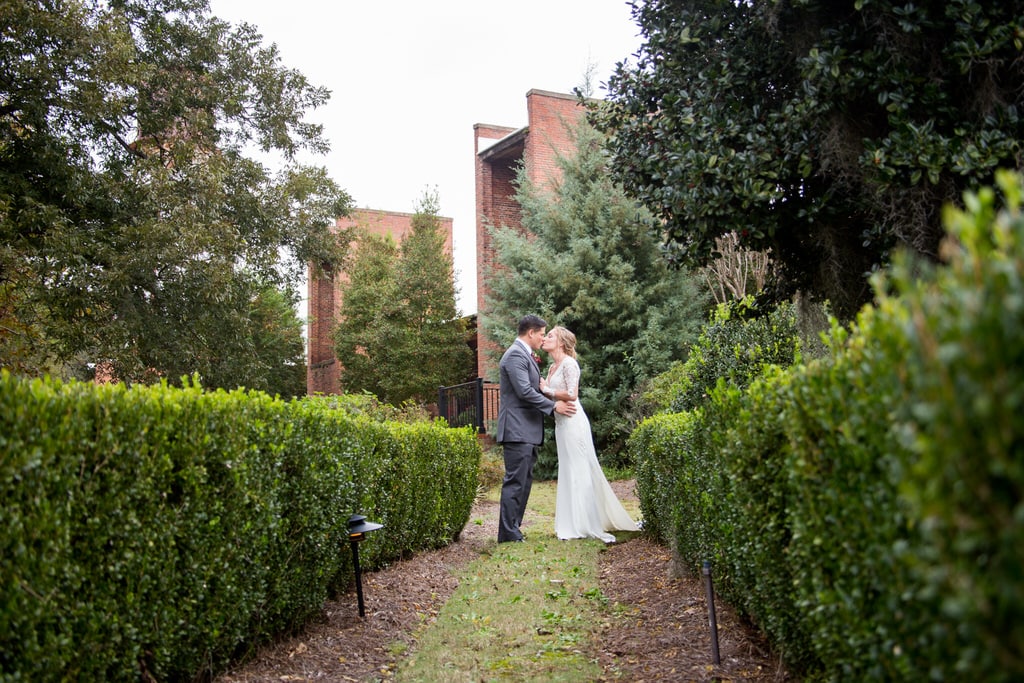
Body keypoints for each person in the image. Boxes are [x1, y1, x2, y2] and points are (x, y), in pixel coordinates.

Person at [540, 326, 640, 543]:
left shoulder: (569, 363)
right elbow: (552, 399)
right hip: (561, 424)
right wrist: (548, 393)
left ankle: (585, 523)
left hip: (574, 422)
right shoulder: (551, 368)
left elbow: (572, 394)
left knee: (579, 468)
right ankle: (569, 522)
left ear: (562, 342)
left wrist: (547, 390)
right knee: (567, 469)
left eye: (550, 336)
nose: (545, 338)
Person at [496, 315, 576, 543]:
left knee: (524, 481)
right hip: (517, 429)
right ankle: (508, 534)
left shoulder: (525, 355)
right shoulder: (514, 355)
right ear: (530, 333)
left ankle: (514, 528)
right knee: (515, 481)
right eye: (542, 333)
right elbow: (524, 391)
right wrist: (553, 407)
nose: (543, 338)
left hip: (527, 430)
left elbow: (534, 388)